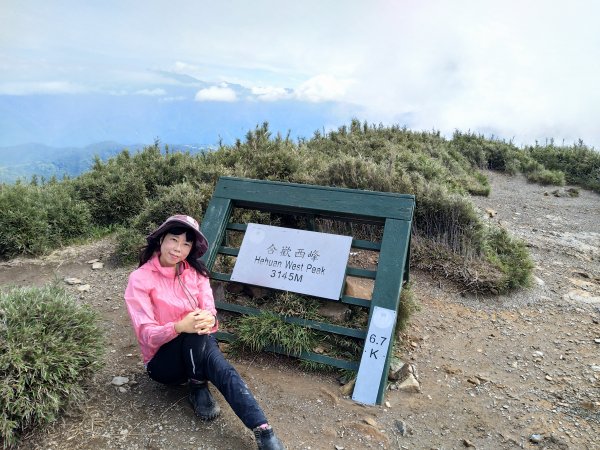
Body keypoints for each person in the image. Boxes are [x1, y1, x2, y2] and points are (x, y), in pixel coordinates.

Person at [124, 214, 285, 450]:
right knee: (193, 331)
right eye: (174, 239)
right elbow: (146, 334)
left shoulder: (197, 274)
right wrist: (179, 326)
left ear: (191, 249)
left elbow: (210, 310)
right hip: (164, 364)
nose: (178, 248)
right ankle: (198, 385)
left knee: (216, 359)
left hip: (198, 343)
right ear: (161, 239)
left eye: (186, 244)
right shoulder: (139, 279)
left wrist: (207, 318)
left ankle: (263, 429)